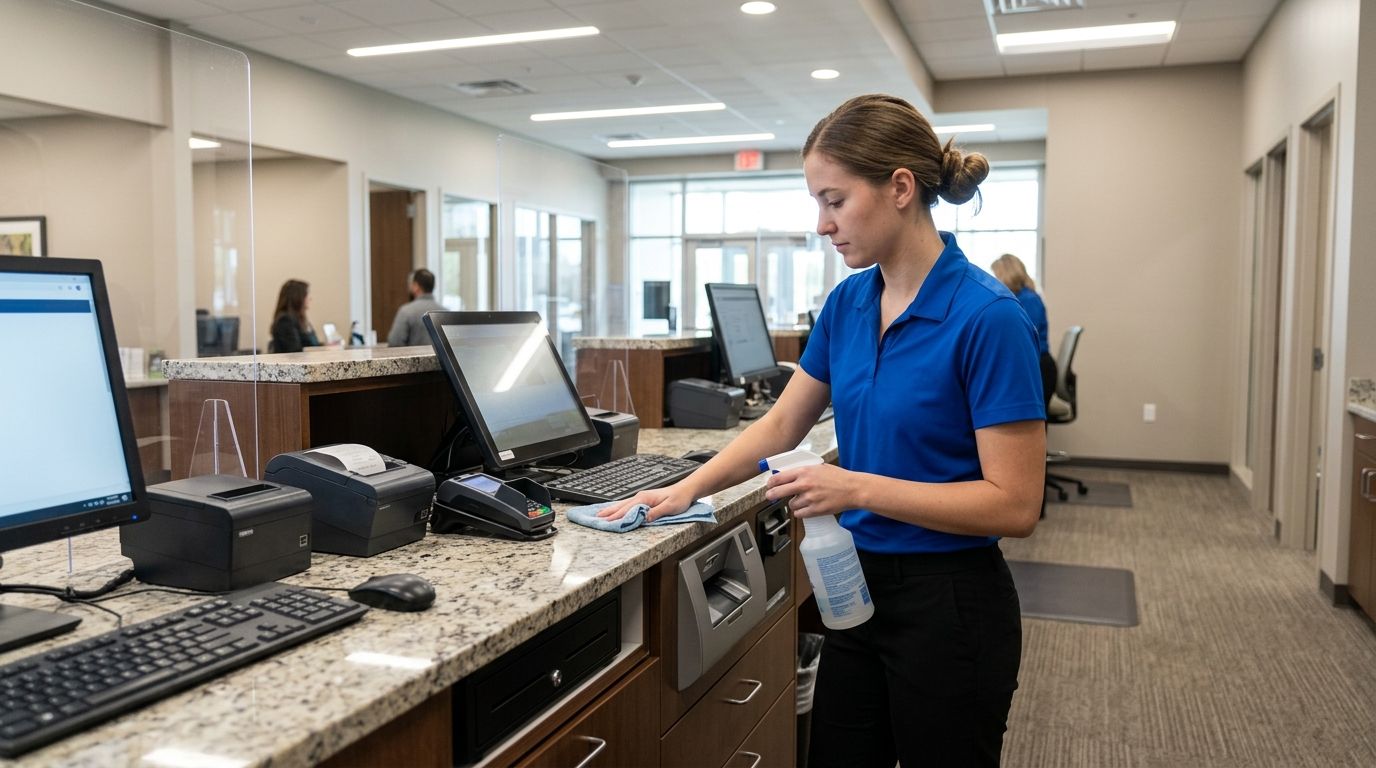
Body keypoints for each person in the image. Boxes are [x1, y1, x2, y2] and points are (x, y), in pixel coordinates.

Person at [599, 94, 1046, 766]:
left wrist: (856, 488)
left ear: (899, 188)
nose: (821, 225)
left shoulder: (987, 317)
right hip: (858, 594)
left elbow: (1014, 505)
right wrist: (684, 491)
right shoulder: (849, 302)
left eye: (834, 201)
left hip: (950, 603)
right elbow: (782, 421)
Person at [991, 253, 1057, 408]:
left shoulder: (1028, 300)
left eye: (996, 276)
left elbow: (1022, 341)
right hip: (1033, 365)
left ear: (1006, 275)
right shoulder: (1022, 298)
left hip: (1039, 369)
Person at [386, 268, 446, 347]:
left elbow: (394, 343)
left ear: (416, 286)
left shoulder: (406, 311)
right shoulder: (445, 312)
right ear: (434, 286)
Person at [269, 279, 320, 353]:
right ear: (297, 298)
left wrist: (326, 347)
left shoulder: (301, 320)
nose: (310, 298)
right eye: (306, 295)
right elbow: (295, 351)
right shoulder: (285, 320)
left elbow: (312, 344)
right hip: (295, 363)